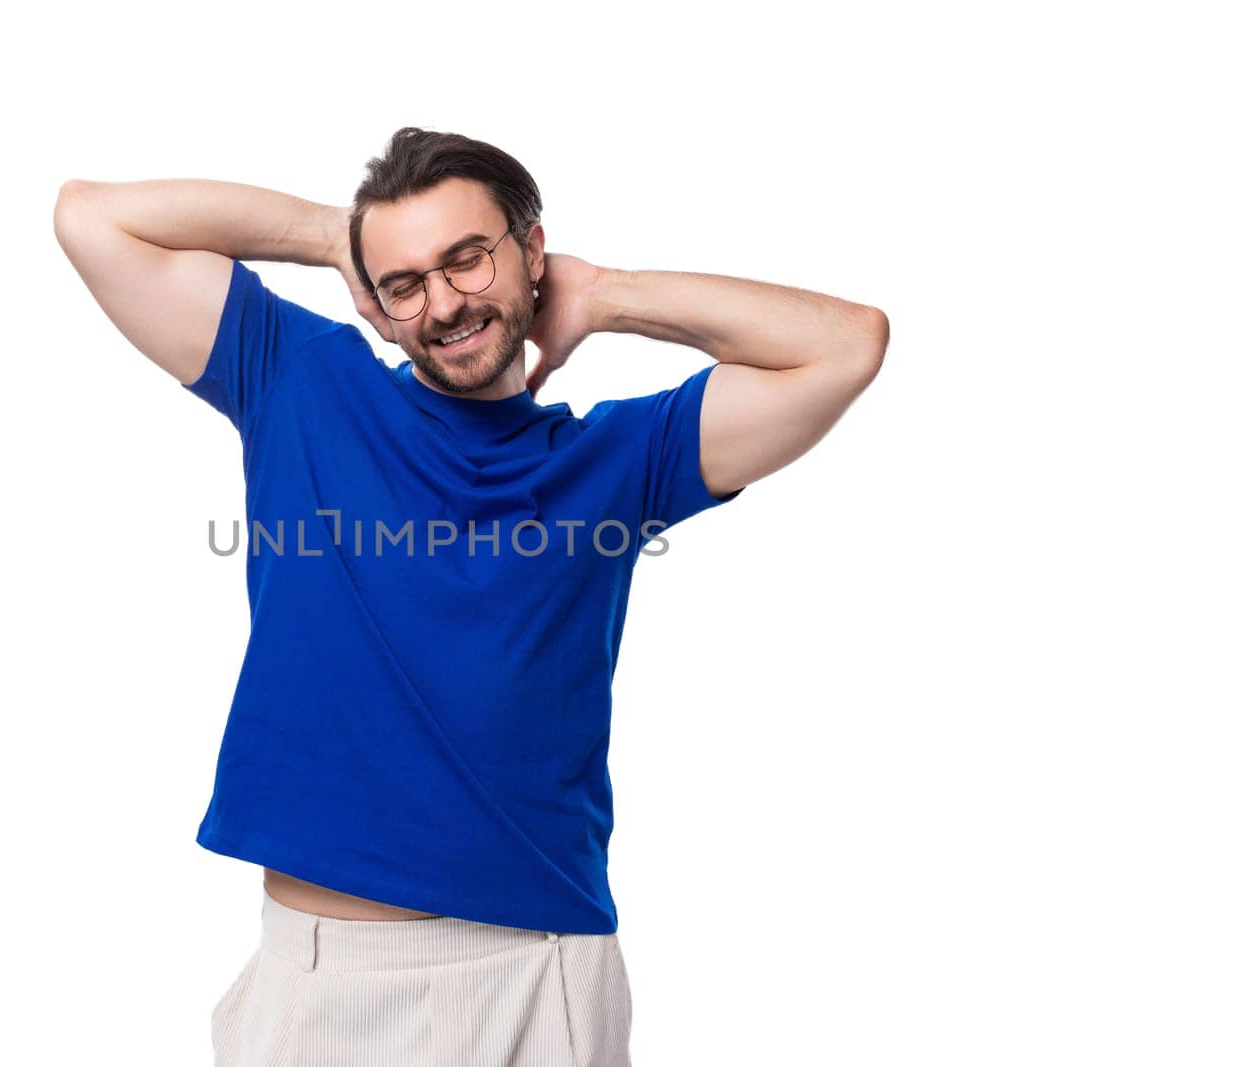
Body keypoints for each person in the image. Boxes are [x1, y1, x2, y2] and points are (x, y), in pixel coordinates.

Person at [53, 127, 887, 1066]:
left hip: (535, 971)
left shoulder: (615, 458)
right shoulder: (299, 379)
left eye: (468, 260)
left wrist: (606, 295)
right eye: (405, 281)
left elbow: (846, 346)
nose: (443, 303)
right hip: (323, 977)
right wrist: (337, 236)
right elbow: (91, 218)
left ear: (530, 252)